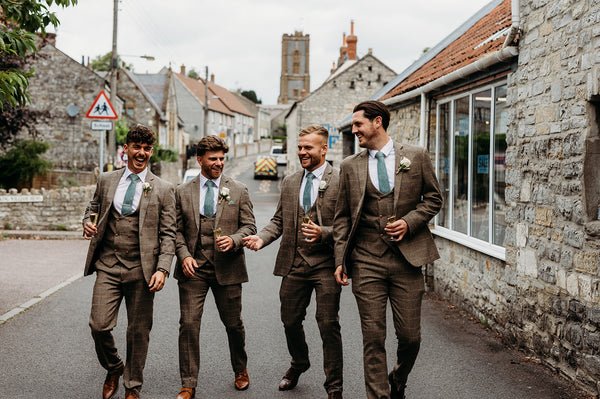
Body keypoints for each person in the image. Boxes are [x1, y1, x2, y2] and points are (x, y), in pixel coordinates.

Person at [333, 101, 442, 399]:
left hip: (408, 261)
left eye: (358, 125)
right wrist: (341, 258)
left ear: (377, 122)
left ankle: (398, 377)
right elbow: (341, 217)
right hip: (366, 261)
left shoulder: (416, 156)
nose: (354, 130)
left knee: (410, 337)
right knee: (373, 338)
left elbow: (434, 199)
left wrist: (409, 222)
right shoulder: (349, 166)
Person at [244, 125, 343, 399]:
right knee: (289, 320)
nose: (302, 152)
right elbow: (278, 221)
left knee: (328, 324)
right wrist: (261, 239)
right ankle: (299, 362)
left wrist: (324, 233)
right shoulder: (289, 182)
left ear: (324, 149)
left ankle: (334, 387)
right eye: (299, 147)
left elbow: (349, 225)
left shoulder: (341, 179)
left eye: (308, 148)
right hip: (294, 263)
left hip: (325, 264)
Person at [82, 124, 176, 399]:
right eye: (136, 147)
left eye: (147, 149)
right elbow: (92, 208)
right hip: (108, 265)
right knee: (99, 326)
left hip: (142, 269)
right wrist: (87, 223)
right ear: (126, 149)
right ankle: (114, 367)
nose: (142, 153)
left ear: (151, 151)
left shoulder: (164, 189)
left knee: (138, 332)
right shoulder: (107, 180)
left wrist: (162, 268)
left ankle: (132, 385)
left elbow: (169, 233)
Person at [174, 135, 256, 399]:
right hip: (193, 268)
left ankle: (240, 369)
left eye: (222, 158)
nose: (219, 163)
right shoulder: (182, 191)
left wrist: (233, 240)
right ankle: (188, 383)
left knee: (233, 324)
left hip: (228, 268)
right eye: (213, 159)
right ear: (200, 160)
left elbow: (250, 227)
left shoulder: (239, 189)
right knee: (188, 324)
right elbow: (174, 230)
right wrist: (184, 254)